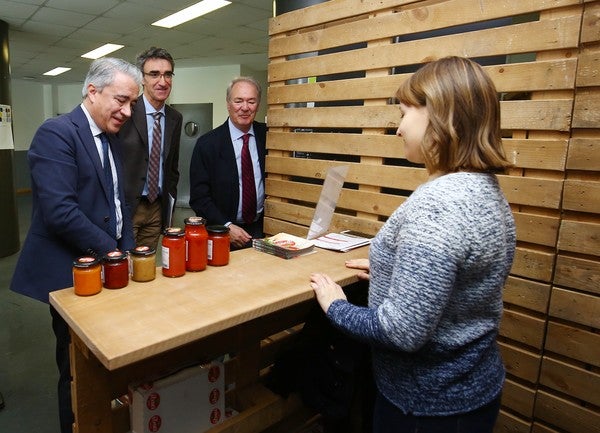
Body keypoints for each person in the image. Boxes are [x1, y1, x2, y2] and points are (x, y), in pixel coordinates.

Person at [309, 56, 516, 433]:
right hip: (473, 391)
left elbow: (401, 332)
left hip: (427, 407)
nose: (400, 129)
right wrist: (398, 272)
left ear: (441, 116)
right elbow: (464, 279)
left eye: (405, 114)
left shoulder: (438, 204)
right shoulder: (484, 189)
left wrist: (336, 306)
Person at [10, 57, 141, 433]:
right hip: (71, 272)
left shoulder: (110, 136)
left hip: (108, 264)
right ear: (92, 91)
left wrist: (128, 251)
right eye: (121, 100)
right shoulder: (56, 133)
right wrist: (114, 251)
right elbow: (60, 212)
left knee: (108, 357)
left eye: (132, 102)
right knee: (76, 368)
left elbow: (119, 203)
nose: (127, 111)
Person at [189, 76, 267, 249]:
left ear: (258, 105)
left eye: (251, 101)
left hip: (263, 231)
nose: (245, 108)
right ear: (228, 103)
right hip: (222, 234)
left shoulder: (269, 138)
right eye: (238, 101)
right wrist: (226, 226)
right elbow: (199, 198)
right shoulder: (207, 144)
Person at [117, 46, 182, 249]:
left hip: (157, 208)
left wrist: (168, 210)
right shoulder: (125, 112)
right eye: (154, 74)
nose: (162, 82)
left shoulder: (175, 118)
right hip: (128, 207)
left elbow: (172, 167)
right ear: (142, 79)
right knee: (123, 267)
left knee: (146, 267)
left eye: (167, 74)